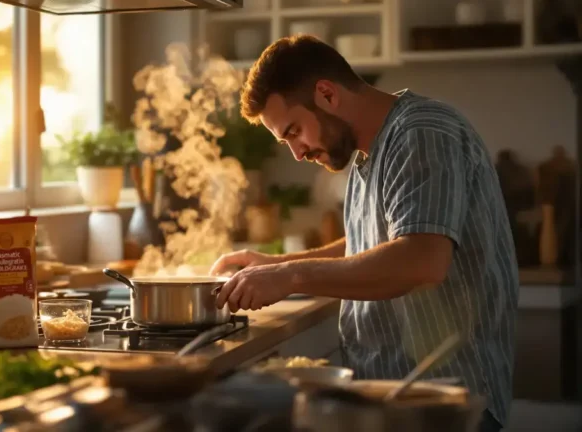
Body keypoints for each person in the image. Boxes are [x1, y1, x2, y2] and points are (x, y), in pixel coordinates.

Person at [210, 35, 518, 432]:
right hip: (393, 398)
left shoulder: (421, 133)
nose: (298, 153)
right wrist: (277, 263)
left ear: (326, 94)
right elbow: (372, 246)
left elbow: (420, 261)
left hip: (442, 403)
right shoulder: (365, 152)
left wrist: (291, 277)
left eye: (294, 131)